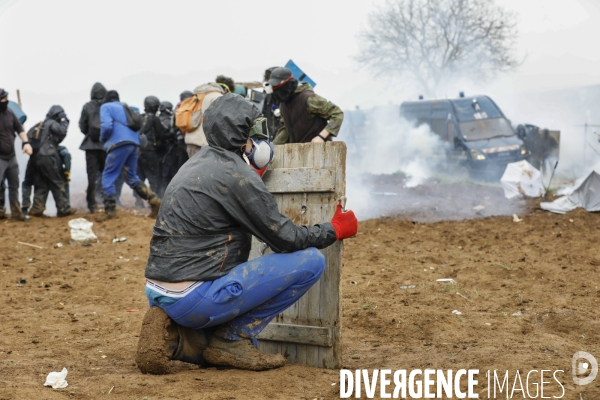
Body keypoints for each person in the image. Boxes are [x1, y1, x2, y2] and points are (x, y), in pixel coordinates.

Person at [135, 94, 358, 373]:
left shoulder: (194, 164)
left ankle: (178, 337)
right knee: (312, 261)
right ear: (241, 136)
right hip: (194, 299)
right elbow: (286, 238)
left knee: (218, 289)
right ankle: (232, 338)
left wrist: (251, 176)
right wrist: (334, 229)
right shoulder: (236, 175)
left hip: (158, 291)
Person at [99, 90, 161, 219]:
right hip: (133, 144)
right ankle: (154, 200)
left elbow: (106, 126)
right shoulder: (125, 107)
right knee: (131, 177)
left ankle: (110, 210)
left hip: (118, 144)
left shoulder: (106, 107)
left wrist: (103, 139)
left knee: (108, 176)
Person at [266, 67, 344, 144]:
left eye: (277, 85)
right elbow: (286, 129)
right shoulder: (283, 105)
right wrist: (273, 148)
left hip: (320, 151)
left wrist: (321, 137)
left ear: (287, 82)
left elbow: (337, 114)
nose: (275, 89)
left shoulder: (309, 99)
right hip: (299, 153)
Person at [24, 106, 76, 217]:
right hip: (46, 156)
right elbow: (62, 130)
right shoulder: (51, 123)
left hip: (35, 158)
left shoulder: (40, 125)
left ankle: (37, 208)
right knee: (56, 182)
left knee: (42, 183)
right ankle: (64, 209)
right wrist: (65, 120)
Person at [0, 88, 32, 220]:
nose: (6, 101)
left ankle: (16, 213)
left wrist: (26, 143)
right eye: (3, 99)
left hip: (11, 157)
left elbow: (19, 128)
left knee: (14, 185)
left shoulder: (9, 112)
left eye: (6, 98)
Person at [79, 82, 107, 214]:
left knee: (91, 176)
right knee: (106, 175)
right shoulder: (107, 106)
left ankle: (91, 204)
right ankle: (108, 202)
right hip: (105, 146)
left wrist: (90, 134)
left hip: (90, 146)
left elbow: (82, 126)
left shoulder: (87, 106)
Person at [182, 83, 224, 158]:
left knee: (193, 168)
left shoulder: (198, 96)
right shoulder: (216, 96)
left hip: (191, 140)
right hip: (204, 143)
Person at [261, 67, 282, 140]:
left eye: (269, 80)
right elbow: (263, 116)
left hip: (283, 141)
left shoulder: (285, 97)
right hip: (270, 139)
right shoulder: (268, 98)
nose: (267, 83)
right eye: (266, 80)